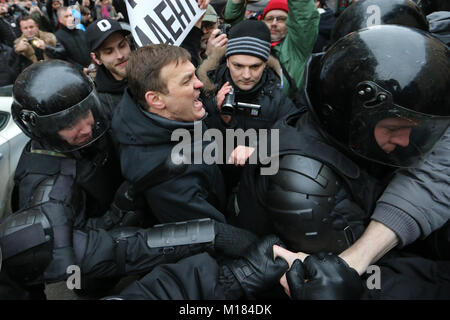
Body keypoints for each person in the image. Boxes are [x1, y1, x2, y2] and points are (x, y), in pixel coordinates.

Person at [0, 59, 257, 299]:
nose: (86, 127)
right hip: (95, 262)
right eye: (69, 123)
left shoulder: (99, 122)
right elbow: (88, 252)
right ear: (40, 128)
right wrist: (205, 234)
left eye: (85, 112)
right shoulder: (44, 185)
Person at [233, 25, 450, 299]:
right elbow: (361, 277)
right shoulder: (306, 187)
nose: (406, 142)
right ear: (353, 120)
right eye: (394, 129)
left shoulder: (330, 128)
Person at [111, 44, 230, 224]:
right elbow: (212, 234)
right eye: (187, 80)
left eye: (194, 74)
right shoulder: (169, 182)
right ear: (156, 99)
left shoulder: (179, 116)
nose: (199, 83)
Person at [198, 19, 297, 133]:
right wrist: (220, 117)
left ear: (265, 64)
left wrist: (257, 149)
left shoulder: (279, 101)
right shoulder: (203, 93)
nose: (246, 75)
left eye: (255, 67)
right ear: (228, 62)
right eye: (238, 66)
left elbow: (292, 141)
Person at [223, 0, 320, 98]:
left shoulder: (298, 48)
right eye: (269, 19)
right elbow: (235, 26)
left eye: (281, 19)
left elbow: (304, 18)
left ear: (291, 23)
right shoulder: (248, 44)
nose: (274, 23)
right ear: (262, 21)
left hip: (285, 111)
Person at [85, 18, 131, 120]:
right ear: (96, 58)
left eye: (122, 45)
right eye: (109, 52)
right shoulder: (101, 104)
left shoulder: (150, 74)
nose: (120, 55)